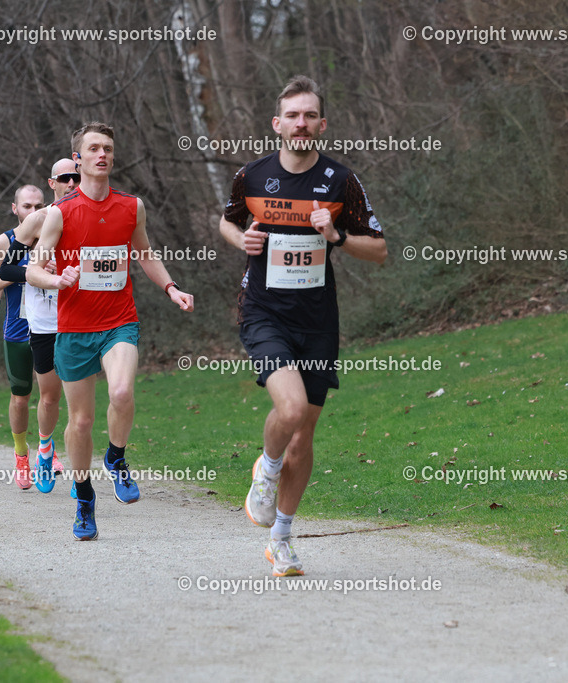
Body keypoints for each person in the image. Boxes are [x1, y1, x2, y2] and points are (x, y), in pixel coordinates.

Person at [218, 76, 387, 576]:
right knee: (289, 408)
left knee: (304, 434)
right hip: (264, 312)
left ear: (321, 124)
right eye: (292, 115)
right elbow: (227, 221)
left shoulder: (341, 182)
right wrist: (240, 241)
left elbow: (378, 249)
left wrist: (336, 235)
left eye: (310, 115)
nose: (301, 123)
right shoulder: (250, 177)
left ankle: (283, 538)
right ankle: (265, 472)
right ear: (277, 124)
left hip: (317, 319)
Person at [26, 123, 193, 540]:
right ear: (78, 158)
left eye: (109, 149)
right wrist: (56, 279)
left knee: (121, 393)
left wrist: (171, 287)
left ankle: (116, 458)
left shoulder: (131, 207)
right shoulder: (60, 213)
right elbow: (34, 266)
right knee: (80, 422)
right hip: (74, 328)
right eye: (94, 148)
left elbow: (146, 254)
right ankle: (84, 498)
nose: (102, 154)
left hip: (119, 321)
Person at [0, 176, 70, 491]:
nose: (33, 210)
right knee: (20, 398)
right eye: (26, 205)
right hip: (18, 329)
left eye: (38, 205)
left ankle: (49, 449)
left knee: (51, 396)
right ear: (15, 208)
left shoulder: (56, 235)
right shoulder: (5, 242)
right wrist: (26, 274)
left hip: (53, 327)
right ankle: (21, 455)